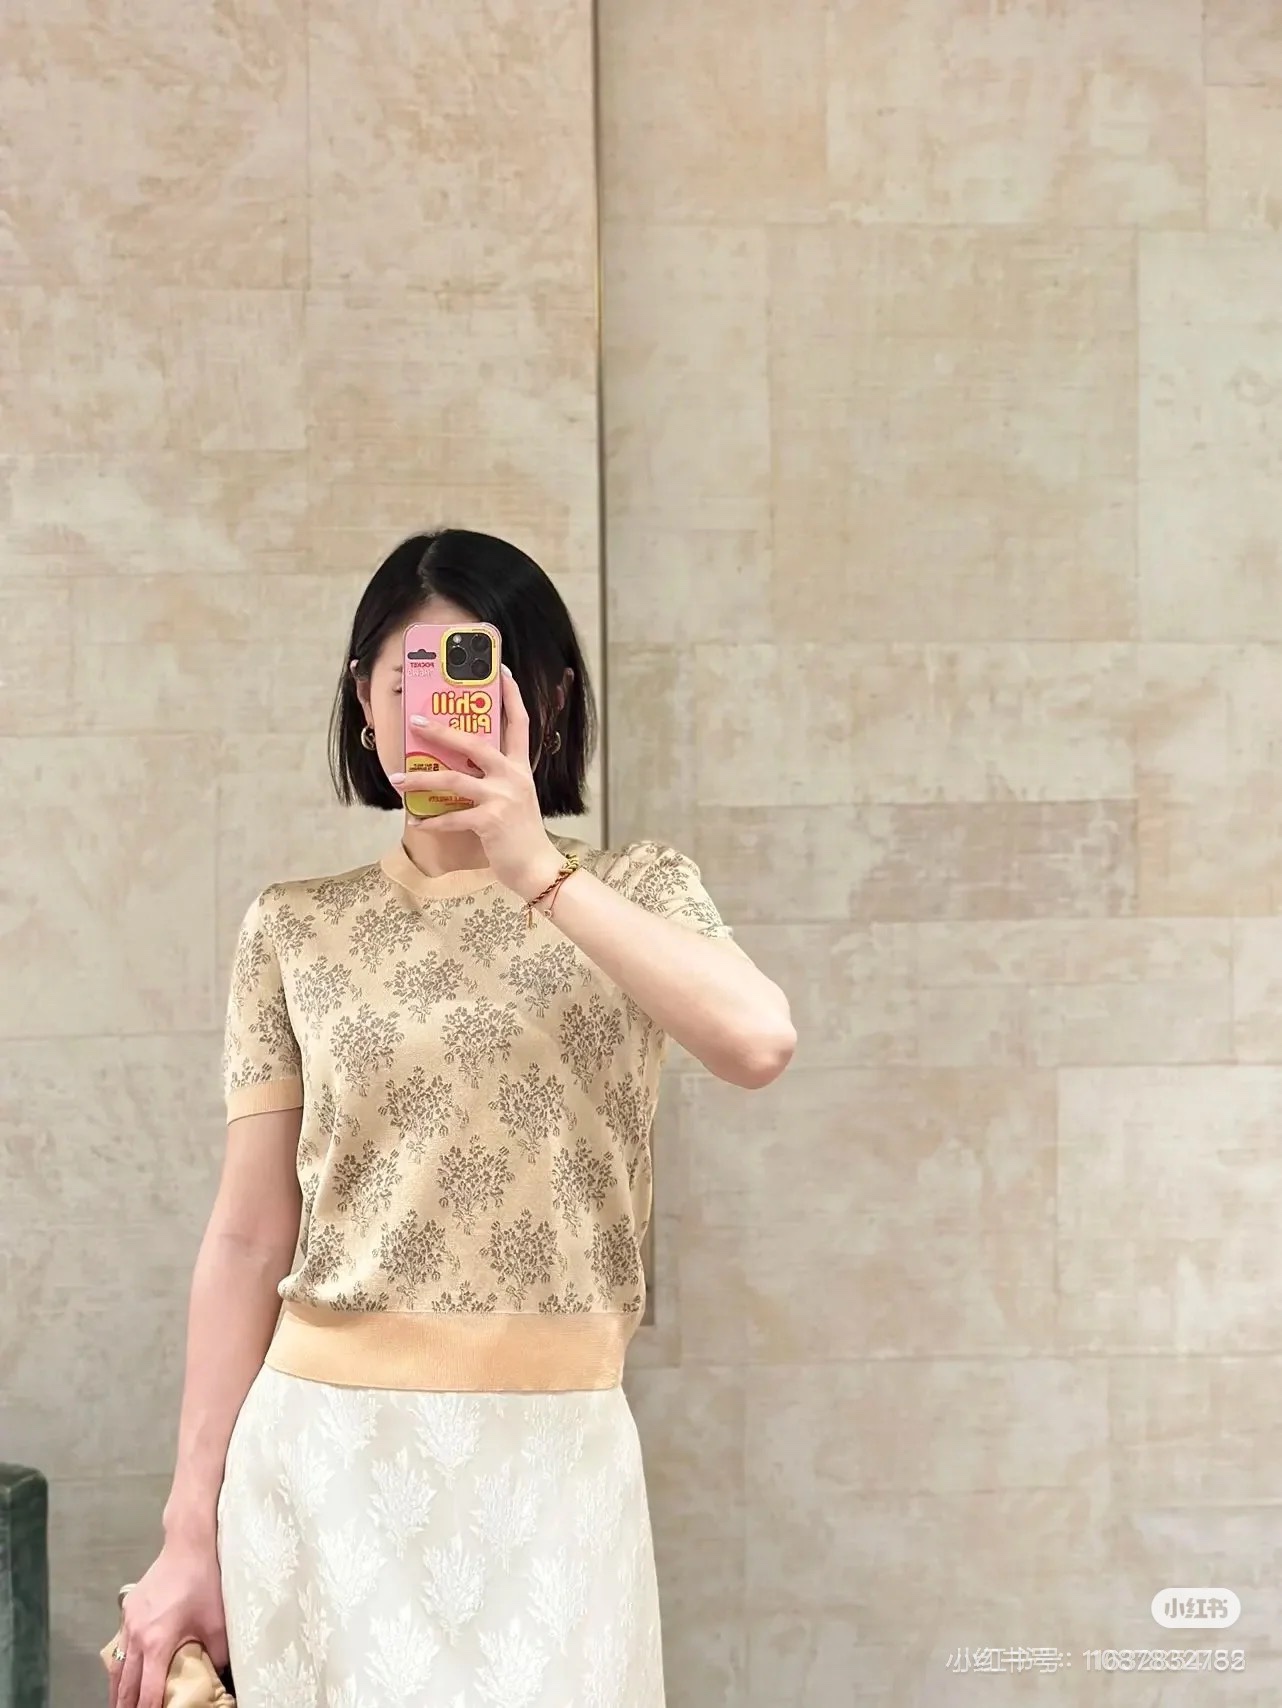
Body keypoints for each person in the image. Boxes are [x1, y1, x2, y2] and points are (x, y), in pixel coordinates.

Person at [108, 529, 796, 1708]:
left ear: (551, 702)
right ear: (362, 703)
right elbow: (247, 1235)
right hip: (322, 1460)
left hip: (555, 1461)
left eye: (477, 677)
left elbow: (758, 1040)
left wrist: (535, 869)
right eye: (406, 680)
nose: (439, 712)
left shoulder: (637, 889)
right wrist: (188, 1529)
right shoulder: (294, 927)